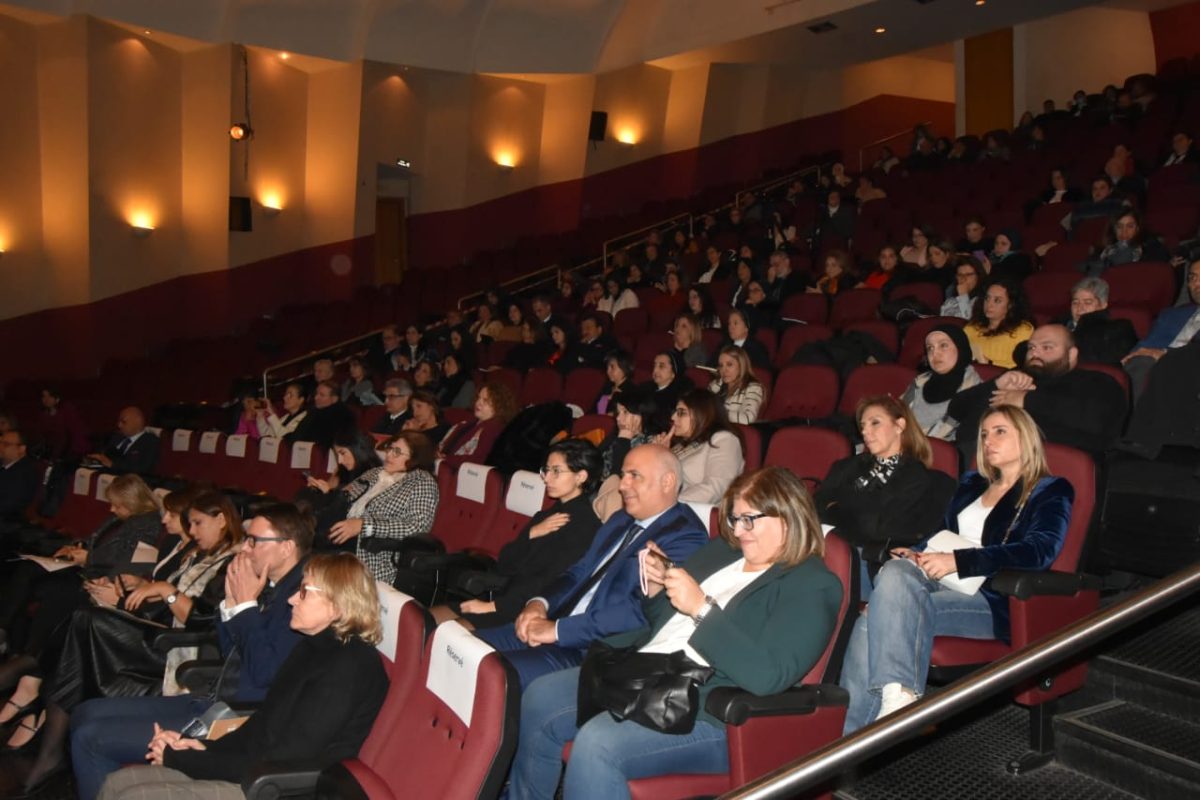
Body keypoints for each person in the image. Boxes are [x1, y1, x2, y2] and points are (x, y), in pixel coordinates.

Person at [506, 466, 842, 799]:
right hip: (646, 672)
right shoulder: (724, 552)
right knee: (540, 696)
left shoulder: (812, 584)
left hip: (707, 708)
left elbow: (768, 675)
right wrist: (657, 589)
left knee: (598, 743)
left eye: (749, 519)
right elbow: (662, 624)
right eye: (734, 519)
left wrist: (702, 609)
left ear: (788, 516)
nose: (739, 531)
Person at [840, 405, 1074, 732]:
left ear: (1026, 437)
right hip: (940, 578)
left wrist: (959, 561)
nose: (988, 440)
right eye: (984, 434)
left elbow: (1039, 551)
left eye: (1000, 432)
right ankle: (874, 721)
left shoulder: (1049, 490)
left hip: (991, 596)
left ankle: (861, 728)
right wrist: (918, 553)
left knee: (872, 619)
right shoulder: (972, 484)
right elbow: (942, 532)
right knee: (885, 569)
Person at [69, 503, 313, 799]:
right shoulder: (267, 584)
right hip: (213, 697)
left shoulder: (302, 598)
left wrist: (246, 606)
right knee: (84, 712)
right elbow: (231, 652)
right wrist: (231, 602)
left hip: (239, 716)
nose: (245, 548)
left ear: (286, 548)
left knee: (90, 739)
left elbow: (264, 674)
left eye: (255, 541)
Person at [96, 553, 389, 800]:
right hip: (256, 770)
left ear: (337, 605)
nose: (291, 600)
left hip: (275, 787)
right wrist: (201, 746)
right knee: (117, 782)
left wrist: (185, 759)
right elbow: (262, 726)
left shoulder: (348, 667)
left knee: (134, 796)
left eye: (303, 592)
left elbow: (288, 757)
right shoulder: (311, 648)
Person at [8, 490, 240, 794]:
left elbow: (201, 620)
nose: (191, 530)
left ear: (221, 520)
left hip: (176, 648)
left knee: (84, 623)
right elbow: (167, 596)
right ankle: (43, 729)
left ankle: (31, 683)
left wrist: (162, 590)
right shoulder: (199, 552)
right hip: (160, 630)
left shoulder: (231, 562)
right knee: (78, 624)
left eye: (197, 523)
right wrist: (142, 586)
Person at [473, 444, 709, 689]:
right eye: (623, 475)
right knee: (460, 648)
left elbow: (640, 613)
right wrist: (539, 603)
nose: (622, 485)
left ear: (667, 481)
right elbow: (578, 572)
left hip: (592, 653)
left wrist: (558, 631)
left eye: (634, 476)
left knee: (487, 676)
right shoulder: (621, 519)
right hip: (553, 624)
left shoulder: (685, 536)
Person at [430, 440, 603, 630]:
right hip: (505, 599)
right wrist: (530, 534)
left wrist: (493, 607)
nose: (547, 478)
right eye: (546, 470)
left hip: (526, 613)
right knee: (423, 620)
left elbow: (549, 583)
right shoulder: (545, 515)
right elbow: (505, 564)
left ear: (581, 476)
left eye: (556, 471)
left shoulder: (586, 526)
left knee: (441, 633)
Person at [0, 474, 161, 676]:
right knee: (26, 568)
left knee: (53, 591)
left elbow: (128, 562)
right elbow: (95, 540)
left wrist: (88, 558)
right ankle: (11, 640)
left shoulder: (146, 524)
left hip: (98, 576)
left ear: (132, 502)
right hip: (85, 567)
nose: (112, 509)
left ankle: (30, 657)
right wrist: (76, 548)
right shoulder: (119, 518)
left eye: (117, 505)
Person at [815, 396, 956, 586]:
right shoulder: (845, 466)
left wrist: (836, 506)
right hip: (826, 549)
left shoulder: (917, 477)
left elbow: (878, 529)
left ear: (899, 425)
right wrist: (859, 510)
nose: (865, 431)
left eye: (875, 423)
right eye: (863, 426)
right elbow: (814, 509)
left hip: (869, 560)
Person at [950, 324, 1128, 459]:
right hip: (978, 458)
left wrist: (1026, 400)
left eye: (1047, 347)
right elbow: (957, 410)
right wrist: (995, 384)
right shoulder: (1017, 377)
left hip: (1049, 467)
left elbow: (1097, 422)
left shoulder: (1097, 382)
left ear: (1071, 354)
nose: (1035, 354)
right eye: (1032, 347)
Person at [329, 431, 439, 587]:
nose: (389, 455)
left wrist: (365, 526)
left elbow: (417, 526)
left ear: (415, 457)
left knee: (314, 565)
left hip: (375, 554)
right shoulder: (376, 473)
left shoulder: (422, 481)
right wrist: (328, 493)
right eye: (390, 448)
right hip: (342, 541)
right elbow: (346, 496)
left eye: (397, 452)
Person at [1121, 259, 1200, 398]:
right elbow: (1144, 348)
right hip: (1154, 370)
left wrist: (1165, 354)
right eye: (1192, 278)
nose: (1196, 283)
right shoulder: (1172, 315)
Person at [301, 429, 380, 548]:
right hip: (332, 521)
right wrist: (321, 489)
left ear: (357, 449)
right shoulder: (342, 470)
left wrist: (329, 493)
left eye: (343, 453)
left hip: (348, 532)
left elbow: (352, 510)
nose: (340, 460)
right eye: (337, 454)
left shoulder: (374, 475)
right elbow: (332, 495)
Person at [902, 325, 983, 440]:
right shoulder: (919, 382)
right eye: (930, 348)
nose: (935, 353)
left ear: (960, 348)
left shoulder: (977, 393)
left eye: (943, 345)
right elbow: (897, 416)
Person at [668, 389, 744, 505]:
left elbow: (716, 487)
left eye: (681, 413)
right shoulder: (682, 443)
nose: (673, 417)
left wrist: (669, 505)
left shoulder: (724, 439)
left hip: (691, 510)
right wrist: (660, 453)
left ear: (701, 414)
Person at [437, 381, 518, 469]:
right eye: (479, 398)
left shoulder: (494, 428)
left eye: (485, 400)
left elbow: (479, 460)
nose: (478, 402)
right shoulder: (470, 422)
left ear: (499, 405)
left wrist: (446, 459)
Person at [1062, 277, 1138, 366]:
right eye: (1075, 302)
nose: (1079, 308)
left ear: (1103, 305)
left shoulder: (1118, 329)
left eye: (1088, 302)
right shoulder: (1058, 326)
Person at [963, 279, 1034, 368]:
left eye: (997, 300)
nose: (989, 304)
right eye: (987, 298)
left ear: (1011, 304)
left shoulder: (1023, 329)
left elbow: (1023, 364)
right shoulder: (971, 327)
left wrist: (989, 364)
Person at [1086, 209, 1169, 276]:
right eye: (1119, 227)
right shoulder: (1103, 251)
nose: (1124, 232)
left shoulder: (1151, 248)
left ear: (1137, 228)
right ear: (1113, 229)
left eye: (1130, 226)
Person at [85, 407, 160, 475]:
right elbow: (106, 455)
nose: (119, 425)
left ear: (138, 422)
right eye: (119, 421)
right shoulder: (117, 437)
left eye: (123, 422)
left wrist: (112, 464)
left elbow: (142, 469)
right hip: (106, 475)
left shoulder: (150, 441)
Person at [708, 346, 764, 424]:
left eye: (729, 364)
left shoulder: (753, 388)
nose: (724, 370)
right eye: (721, 365)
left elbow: (748, 418)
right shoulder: (715, 384)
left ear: (741, 366)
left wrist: (717, 414)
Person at [0, 429, 40, 538]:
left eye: (6, 444)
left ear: (21, 449)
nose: (0, 447)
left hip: (8, 525)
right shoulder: (4, 466)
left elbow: (11, 505)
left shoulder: (26, 472)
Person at [35, 388, 89, 461]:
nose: (46, 399)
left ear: (57, 399)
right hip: (52, 453)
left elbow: (75, 433)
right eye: (44, 396)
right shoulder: (43, 416)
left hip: (71, 452)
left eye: (50, 396)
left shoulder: (68, 411)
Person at [305, 380, 358, 448]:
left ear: (334, 399)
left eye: (322, 395)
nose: (316, 398)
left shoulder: (342, 415)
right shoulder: (313, 411)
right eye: (316, 394)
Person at [595, 351, 634, 416]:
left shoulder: (631, 391)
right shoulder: (608, 385)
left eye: (612, 367)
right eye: (607, 367)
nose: (608, 371)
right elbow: (595, 409)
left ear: (624, 368)